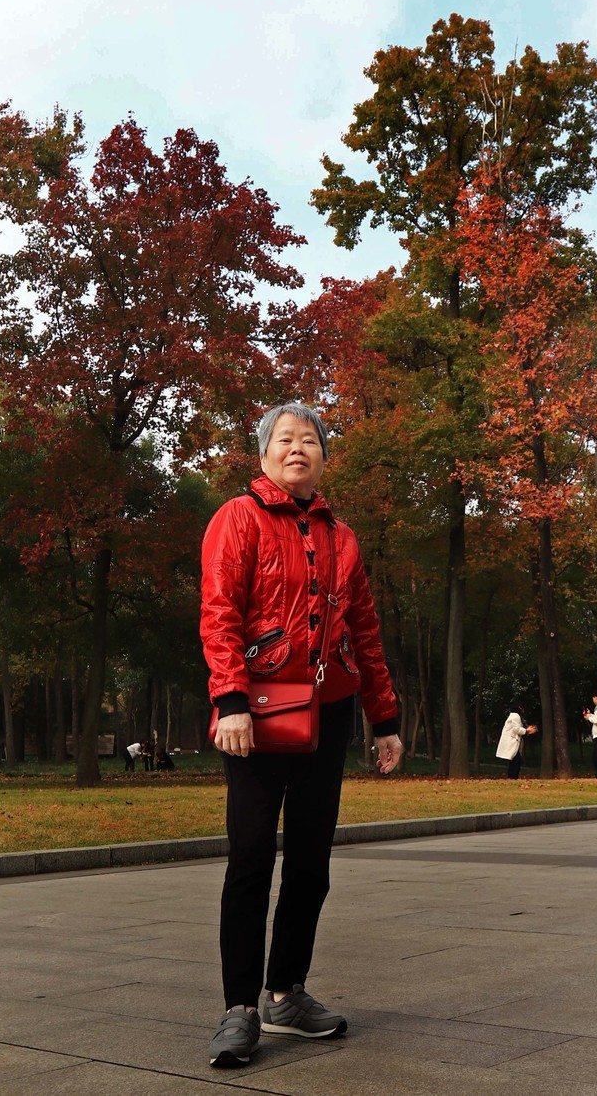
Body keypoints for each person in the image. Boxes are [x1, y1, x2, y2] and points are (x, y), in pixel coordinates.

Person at [201, 402, 402, 1069]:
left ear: (322, 456)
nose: (297, 448)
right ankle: (239, 1008)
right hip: (254, 713)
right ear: (263, 455)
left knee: (311, 862)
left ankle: (285, 991)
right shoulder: (239, 519)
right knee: (252, 855)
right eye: (284, 439)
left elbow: (365, 634)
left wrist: (386, 718)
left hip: (329, 709)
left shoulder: (343, 538)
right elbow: (219, 612)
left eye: (309, 439)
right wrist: (228, 698)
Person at [495, 705, 538, 778]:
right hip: (512, 742)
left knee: (514, 760)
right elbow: (516, 729)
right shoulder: (515, 716)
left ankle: (511, 777)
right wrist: (527, 730)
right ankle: (513, 777)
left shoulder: (513, 716)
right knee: (516, 761)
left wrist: (526, 730)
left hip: (512, 741)